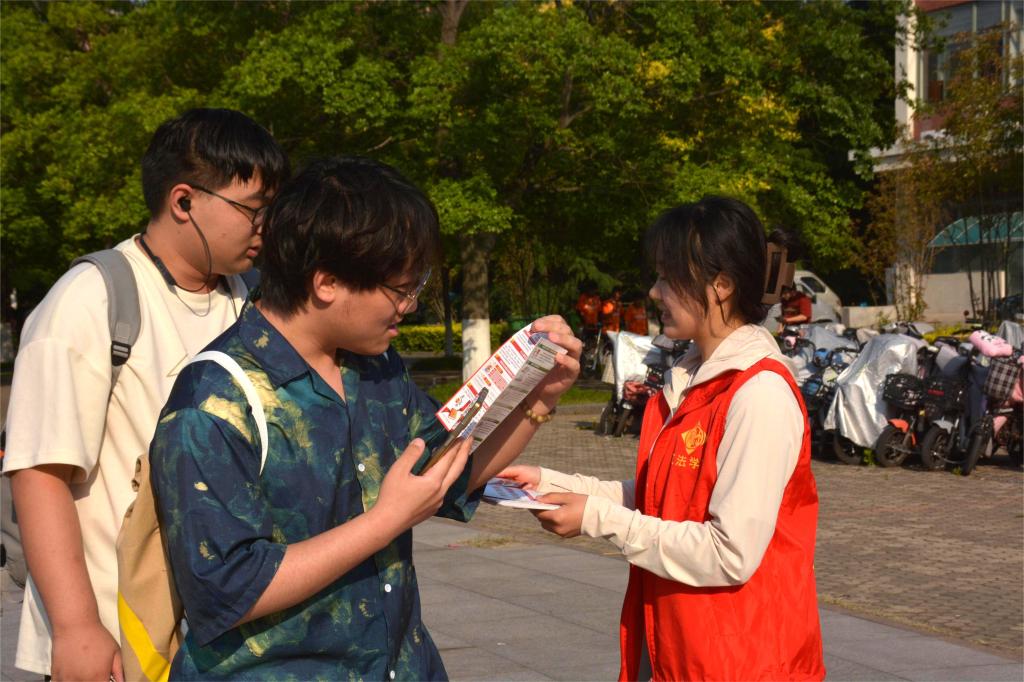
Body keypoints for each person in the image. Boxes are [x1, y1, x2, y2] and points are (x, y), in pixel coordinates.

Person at [148, 156, 581, 679]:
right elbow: (227, 587)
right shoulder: (215, 403)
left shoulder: (374, 367)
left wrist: (539, 400)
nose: (410, 306)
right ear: (327, 282)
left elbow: (449, 472)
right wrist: (385, 522)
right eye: (400, 290)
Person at [3, 108, 289, 681]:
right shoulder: (90, 301)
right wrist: (77, 628)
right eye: (252, 210)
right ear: (184, 201)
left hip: (229, 636)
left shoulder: (254, 302)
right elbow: (39, 474)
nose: (265, 227)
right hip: (120, 639)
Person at [501, 196, 825, 681]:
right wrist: (554, 484)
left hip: (743, 662)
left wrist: (597, 519)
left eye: (668, 277)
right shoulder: (691, 380)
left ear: (721, 285)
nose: (654, 292)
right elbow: (666, 497)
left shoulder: (758, 393)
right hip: (681, 650)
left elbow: (729, 553)